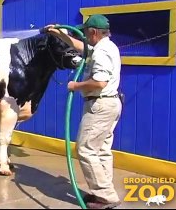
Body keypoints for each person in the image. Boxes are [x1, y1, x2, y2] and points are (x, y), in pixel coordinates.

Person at [43, 14, 122, 209]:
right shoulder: (107, 46)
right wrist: (58, 33)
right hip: (110, 104)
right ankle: (102, 192)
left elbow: (100, 82)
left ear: (94, 32)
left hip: (100, 105)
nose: (85, 36)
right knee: (101, 150)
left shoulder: (102, 52)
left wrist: (75, 85)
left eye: (86, 32)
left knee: (85, 149)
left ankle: (106, 196)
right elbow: (80, 46)